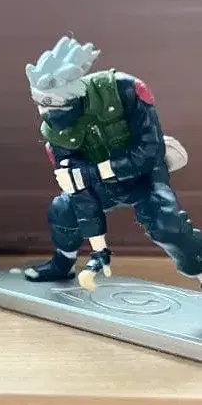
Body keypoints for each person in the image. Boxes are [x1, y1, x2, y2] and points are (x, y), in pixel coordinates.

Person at [24, 34, 202, 289]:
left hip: (144, 175)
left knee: (167, 224)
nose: (45, 113)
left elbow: (150, 150)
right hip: (101, 185)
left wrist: (97, 171)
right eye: (40, 105)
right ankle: (63, 264)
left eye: (52, 105)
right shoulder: (55, 134)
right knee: (62, 210)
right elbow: (79, 191)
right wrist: (99, 249)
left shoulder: (124, 90)